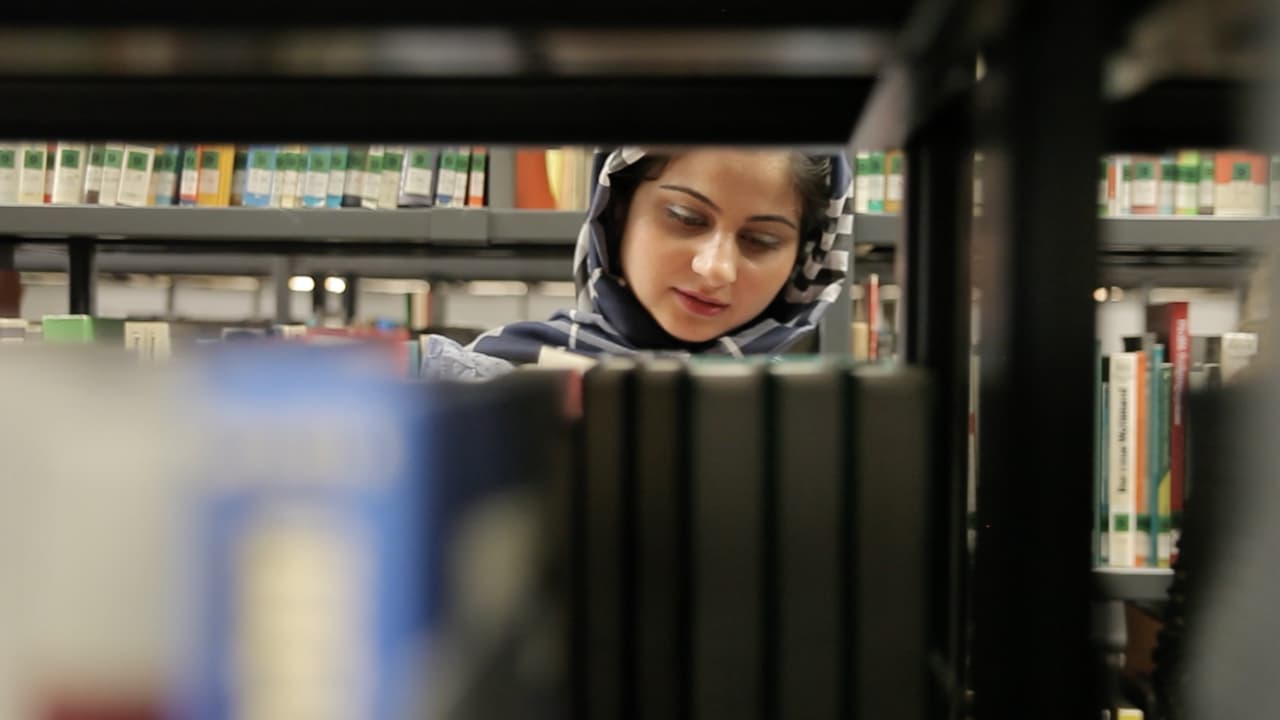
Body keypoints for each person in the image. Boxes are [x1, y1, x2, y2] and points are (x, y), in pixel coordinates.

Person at [421, 146, 854, 380]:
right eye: (686, 218)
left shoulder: (815, 422)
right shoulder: (488, 379)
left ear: (804, 259)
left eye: (761, 241)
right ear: (616, 213)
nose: (716, 267)